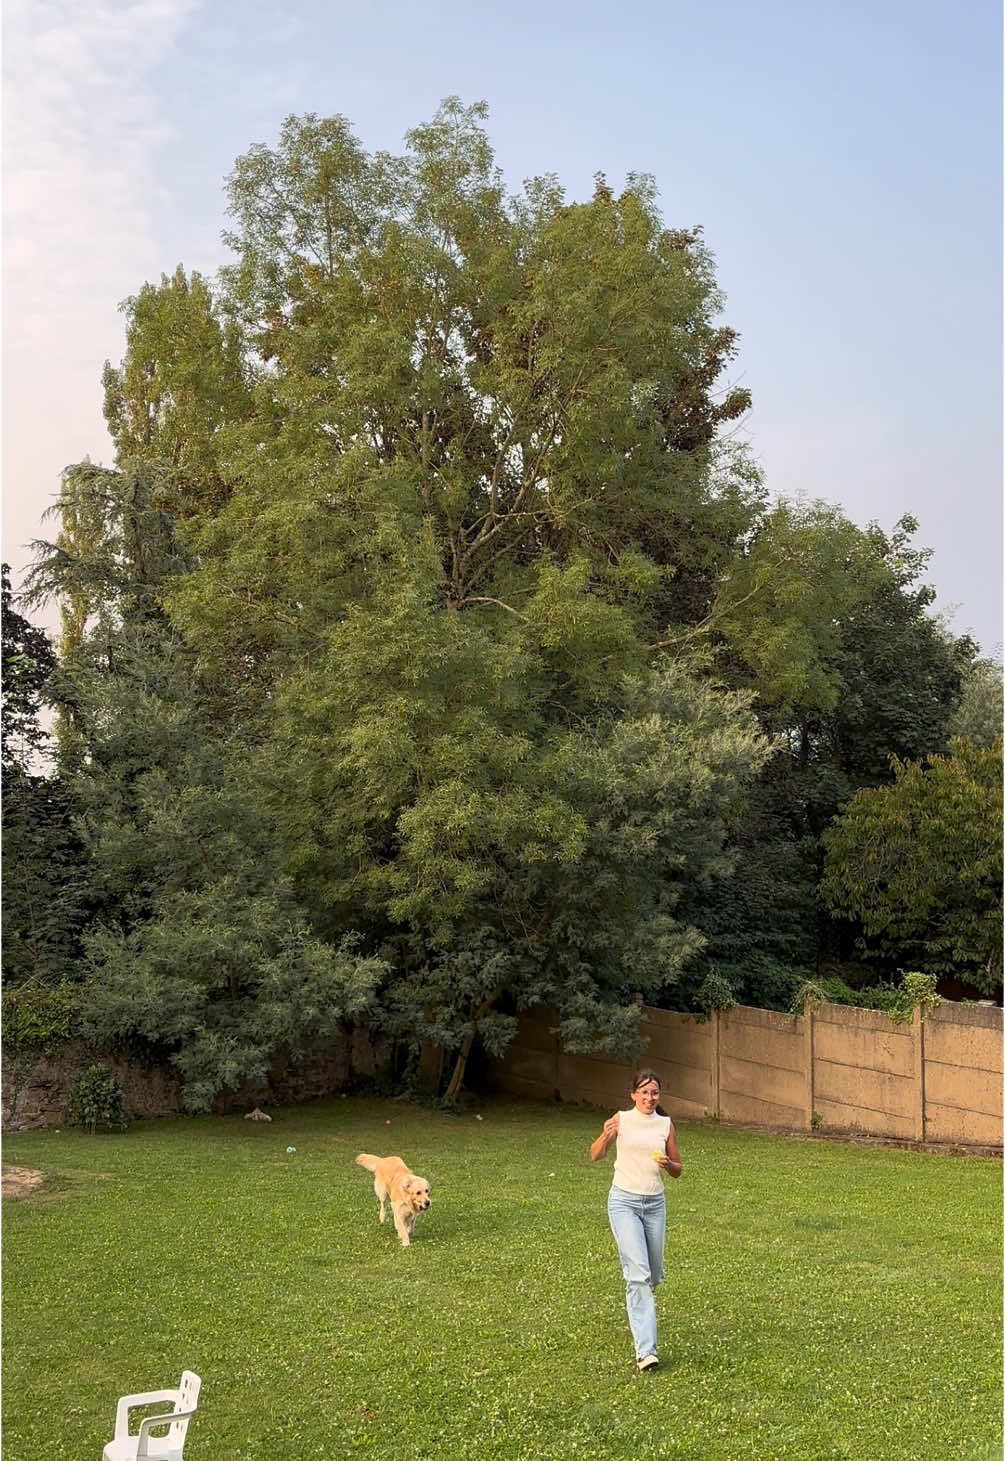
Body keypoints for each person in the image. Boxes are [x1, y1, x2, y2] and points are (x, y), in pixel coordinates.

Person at [590, 1068, 683, 1371]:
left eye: (654, 1092)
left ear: (660, 1095)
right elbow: (595, 1155)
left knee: (653, 1275)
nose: (649, 1097)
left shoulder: (666, 1125)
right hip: (624, 1203)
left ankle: (640, 1300)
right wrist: (606, 1135)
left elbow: (678, 1169)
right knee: (639, 1275)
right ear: (633, 1094)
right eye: (643, 1092)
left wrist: (669, 1165)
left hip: (655, 1204)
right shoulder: (621, 1120)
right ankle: (647, 1352)